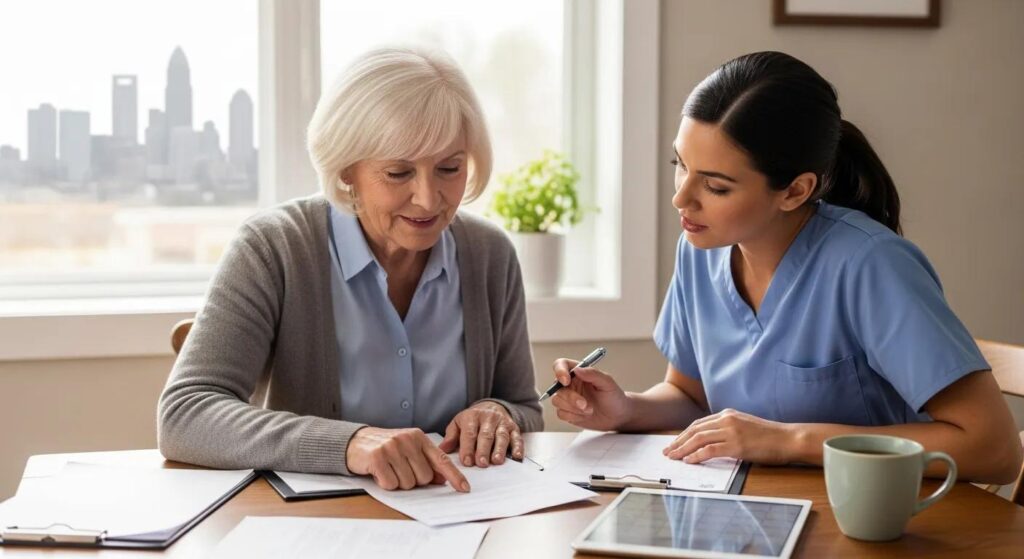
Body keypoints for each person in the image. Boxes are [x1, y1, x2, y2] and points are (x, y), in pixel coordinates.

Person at [549, 51, 1022, 484]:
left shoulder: (870, 264)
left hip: (883, 525)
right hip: (753, 513)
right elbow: (691, 397)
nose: (680, 198)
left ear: (795, 190)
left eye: (715, 186)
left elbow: (994, 449)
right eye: (680, 164)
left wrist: (786, 439)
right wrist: (624, 409)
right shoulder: (699, 250)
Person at [158, 47, 543, 492]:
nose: (428, 198)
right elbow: (185, 414)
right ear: (346, 172)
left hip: (466, 521)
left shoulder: (489, 254)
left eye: (449, 168)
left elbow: (525, 407)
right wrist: (349, 444)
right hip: (316, 528)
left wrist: (499, 413)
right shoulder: (274, 247)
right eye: (398, 173)